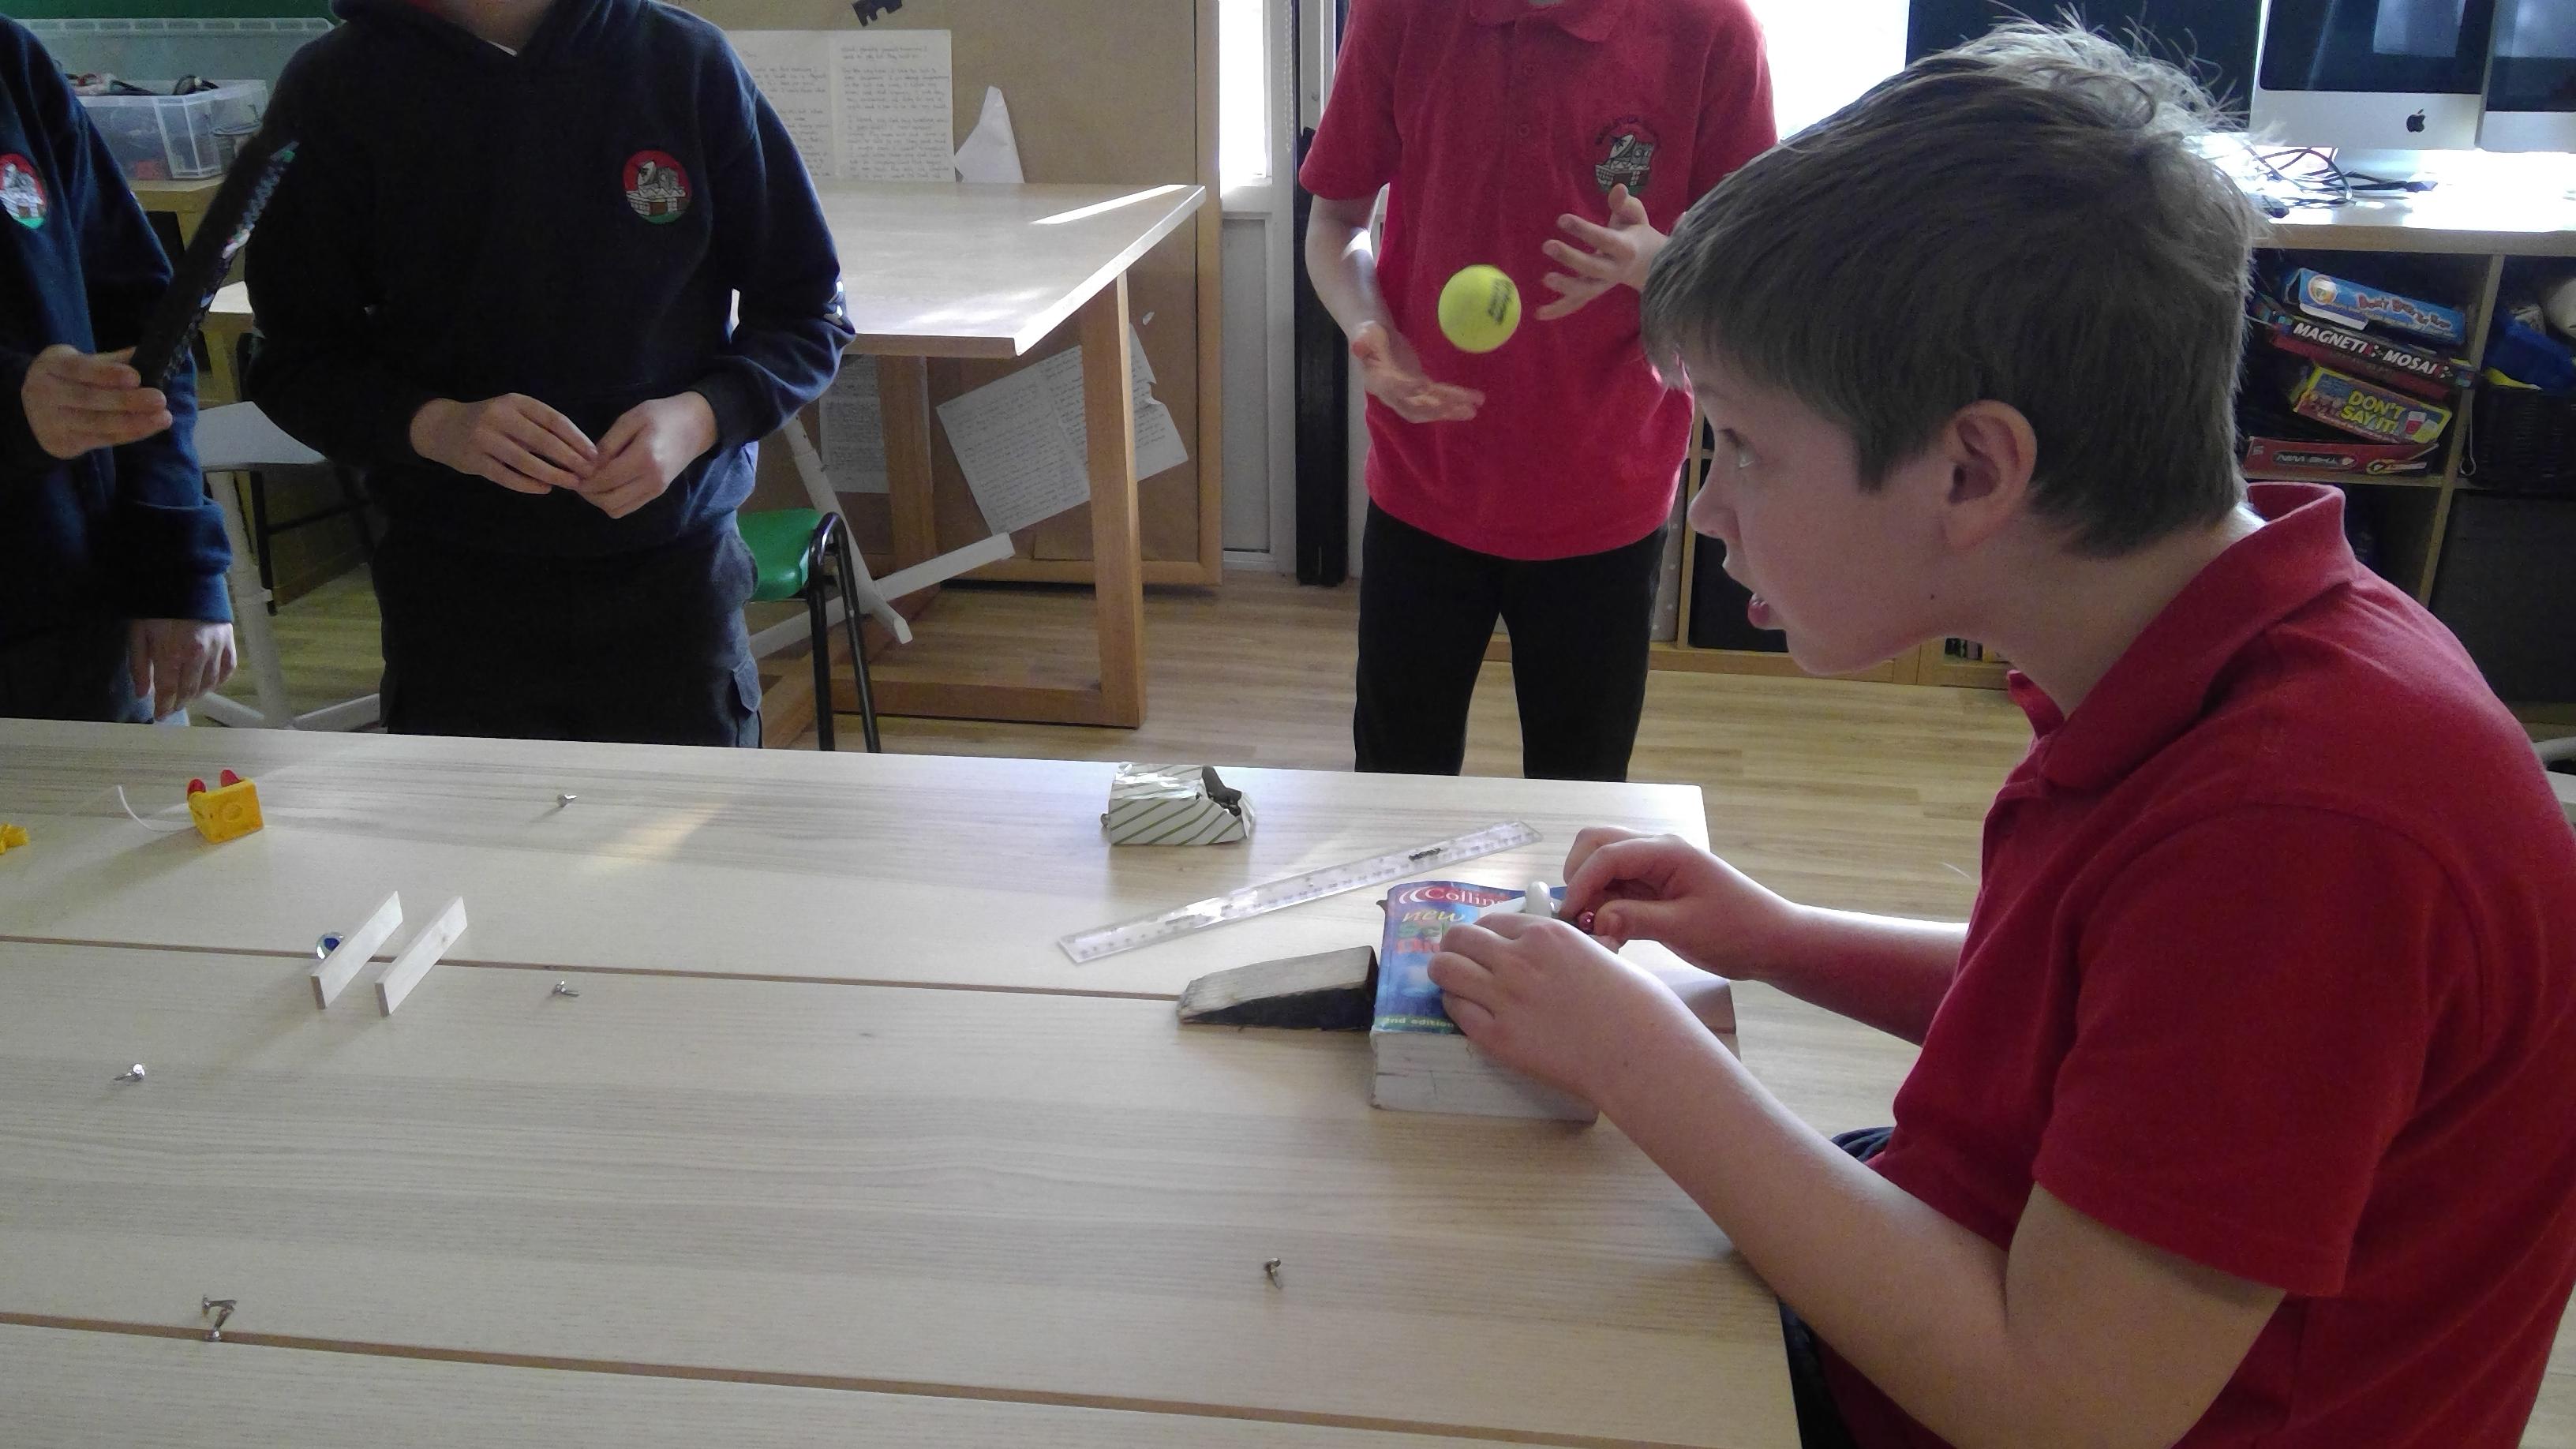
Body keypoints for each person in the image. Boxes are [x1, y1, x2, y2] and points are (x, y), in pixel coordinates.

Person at [1426, 26, 2576, 1449]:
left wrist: (1638, 1059)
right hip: (1984, 1259)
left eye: (1744, 446)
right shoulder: (2216, 658)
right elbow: (2109, 1030)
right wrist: (1780, 939)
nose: (1706, 506)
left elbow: (2058, 1408)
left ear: (1971, 470)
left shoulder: (2302, 829)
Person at [248, 0, 854, 746]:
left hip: (673, 582)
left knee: (687, 817)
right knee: (478, 821)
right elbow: (294, 358)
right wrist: (435, 426)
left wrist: (701, 417)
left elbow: (807, 312)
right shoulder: (336, 85)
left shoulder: (684, 61)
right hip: (454, 593)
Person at [1300, 0, 1774, 781]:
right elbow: (1337, 223)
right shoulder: (1400, 13)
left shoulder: (1712, 30)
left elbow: (1750, 278)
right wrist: (1367, 323)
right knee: (1396, 784)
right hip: (1424, 480)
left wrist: (1654, 260)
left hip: (1606, 495)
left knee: (1580, 791)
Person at [2, 17, 236, 723]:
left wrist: (178, 565)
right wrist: (15, 410)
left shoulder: (11, 62)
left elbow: (144, 332)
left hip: (84, 612)